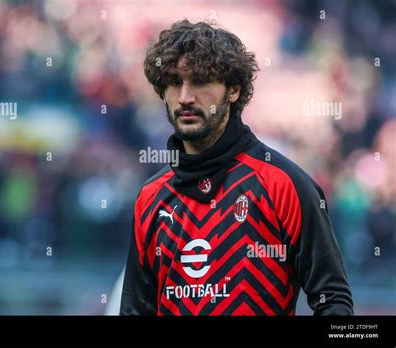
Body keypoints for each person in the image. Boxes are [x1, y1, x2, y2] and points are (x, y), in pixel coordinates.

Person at [120, 19, 353, 315]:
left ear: (233, 90)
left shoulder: (284, 185)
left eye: (201, 81)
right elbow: (134, 310)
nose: (185, 98)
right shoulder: (150, 198)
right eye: (174, 83)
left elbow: (333, 302)